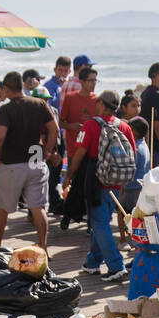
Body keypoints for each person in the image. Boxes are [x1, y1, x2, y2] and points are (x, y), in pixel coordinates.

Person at [63, 90, 131, 282]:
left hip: (96, 180)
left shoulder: (91, 125)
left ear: (101, 103)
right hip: (117, 181)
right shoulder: (124, 127)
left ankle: (116, 266)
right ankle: (92, 262)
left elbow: (79, 153)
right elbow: (130, 154)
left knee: (99, 223)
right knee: (99, 221)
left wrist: (69, 177)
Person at [0, 71, 58, 250]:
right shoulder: (39, 103)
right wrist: (49, 150)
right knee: (38, 207)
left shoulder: (6, 109)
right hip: (36, 158)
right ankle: (43, 246)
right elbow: (55, 129)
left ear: (5, 88)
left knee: (3, 208)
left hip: (13, 162)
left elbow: (0, 136)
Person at [59, 65, 100, 229]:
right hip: (74, 147)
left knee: (90, 185)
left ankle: (90, 222)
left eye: (95, 80)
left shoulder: (97, 99)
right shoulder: (70, 97)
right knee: (73, 183)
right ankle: (67, 215)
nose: (94, 83)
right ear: (81, 81)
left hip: (91, 150)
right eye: (90, 80)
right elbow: (60, 122)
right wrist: (72, 126)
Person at [121, 117, 151, 215]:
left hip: (132, 189)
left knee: (127, 216)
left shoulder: (136, 149)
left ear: (135, 132)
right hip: (139, 188)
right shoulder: (144, 145)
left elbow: (129, 170)